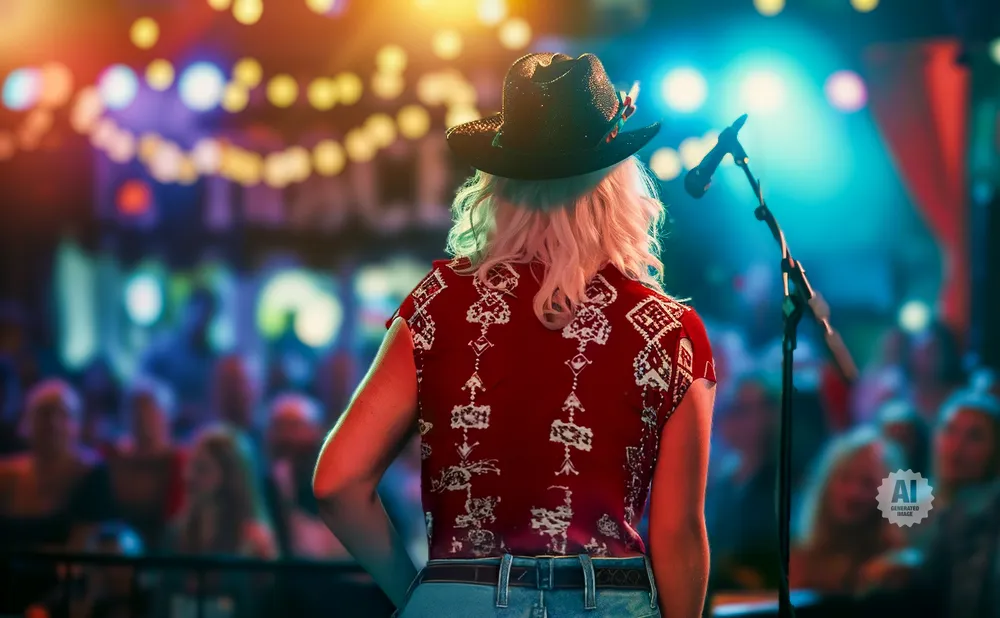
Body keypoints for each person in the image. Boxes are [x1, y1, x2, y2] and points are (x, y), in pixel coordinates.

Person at [314, 52, 716, 618]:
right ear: (618, 184)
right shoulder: (669, 331)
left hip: (461, 597)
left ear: (496, 184)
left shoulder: (437, 307)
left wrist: (420, 596)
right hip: (606, 600)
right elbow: (678, 534)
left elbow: (336, 481)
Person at [789, 427, 907, 594]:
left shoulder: (894, 566)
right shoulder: (800, 558)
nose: (853, 493)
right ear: (826, 485)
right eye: (845, 478)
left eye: (867, 483)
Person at [107, 378, 186, 550]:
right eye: (136, 412)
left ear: (166, 415)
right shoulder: (110, 459)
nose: (142, 419)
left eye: (150, 411)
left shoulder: (182, 463)